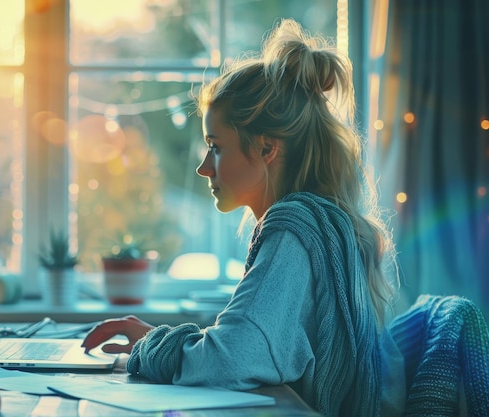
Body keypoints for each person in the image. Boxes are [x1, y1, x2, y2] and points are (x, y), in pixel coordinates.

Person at [81, 18, 405, 417]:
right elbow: (249, 346)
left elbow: (227, 361)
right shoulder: (326, 224)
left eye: (215, 147)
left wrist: (154, 346)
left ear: (267, 148)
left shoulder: (294, 229)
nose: (204, 167)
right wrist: (156, 339)